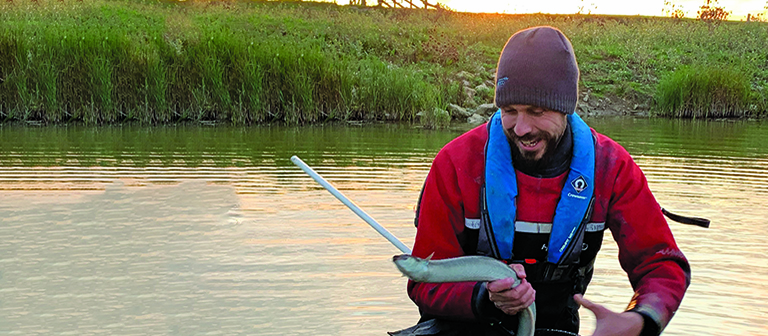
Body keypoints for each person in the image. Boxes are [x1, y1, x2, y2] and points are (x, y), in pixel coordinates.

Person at [395, 26, 690, 336]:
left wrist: (640, 319)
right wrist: (485, 296)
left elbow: (661, 264)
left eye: (536, 111)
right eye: (509, 111)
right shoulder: (454, 164)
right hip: (463, 324)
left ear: (566, 107)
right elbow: (423, 285)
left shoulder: (612, 168)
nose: (521, 128)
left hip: (556, 325)